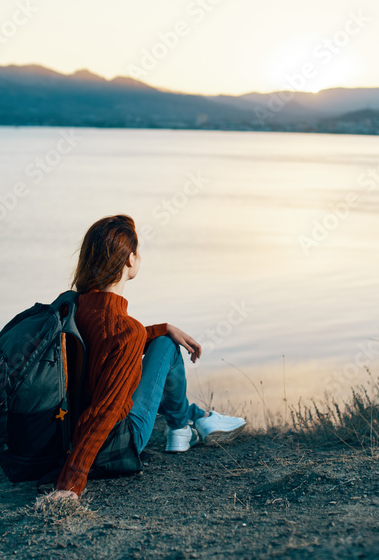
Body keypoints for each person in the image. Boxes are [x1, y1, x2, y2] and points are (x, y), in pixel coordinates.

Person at [38, 214, 245, 504]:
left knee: (163, 339)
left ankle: (186, 422)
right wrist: (70, 483)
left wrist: (163, 328)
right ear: (130, 260)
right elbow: (106, 411)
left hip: (64, 430)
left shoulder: (71, 306)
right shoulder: (127, 331)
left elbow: (102, 342)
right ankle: (182, 424)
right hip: (117, 443)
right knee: (168, 348)